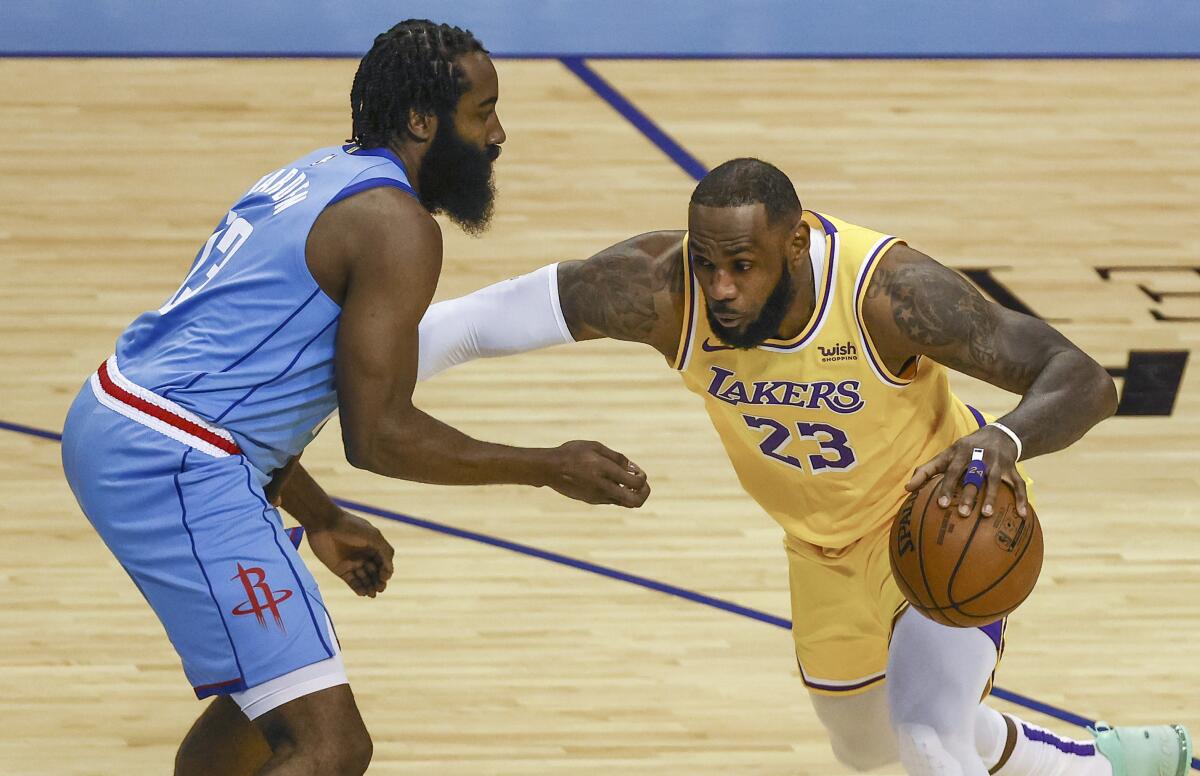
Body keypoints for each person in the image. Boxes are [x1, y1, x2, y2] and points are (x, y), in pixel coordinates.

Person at [411, 158, 1193, 776]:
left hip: (938, 517)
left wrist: (1004, 440)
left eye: (742, 265)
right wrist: (338, 370)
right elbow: (478, 324)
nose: (720, 287)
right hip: (819, 550)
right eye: (707, 262)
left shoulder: (889, 295)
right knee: (865, 747)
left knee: (927, 738)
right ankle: (1108, 762)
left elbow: (1084, 379)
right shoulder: (659, 291)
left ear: (795, 243)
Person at [60, 19, 648, 776]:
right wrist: (546, 465)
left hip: (127, 414)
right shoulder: (397, 226)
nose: (499, 133)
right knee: (329, 747)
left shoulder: (315, 174)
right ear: (420, 121)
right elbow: (378, 436)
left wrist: (324, 518)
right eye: (483, 112)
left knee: (266, 697)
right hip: (173, 459)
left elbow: (244, 399)